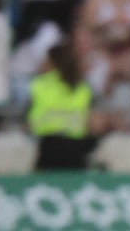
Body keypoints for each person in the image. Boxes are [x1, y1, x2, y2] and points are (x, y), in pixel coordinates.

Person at [29, 39, 99, 171]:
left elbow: (29, 119)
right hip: (76, 148)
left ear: (52, 63)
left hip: (48, 148)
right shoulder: (83, 87)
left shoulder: (39, 84)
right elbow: (92, 123)